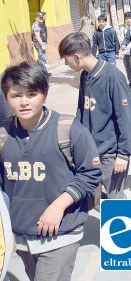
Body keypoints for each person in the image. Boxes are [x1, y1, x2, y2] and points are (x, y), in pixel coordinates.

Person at [0, 62, 101, 281]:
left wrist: (59, 205)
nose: (24, 102)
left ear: (44, 94)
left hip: (61, 234)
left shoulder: (67, 129)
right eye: (16, 96)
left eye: (32, 94)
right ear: (6, 98)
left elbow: (91, 173)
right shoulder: (3, 136)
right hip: (21, 237)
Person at [59, 32, 131, 200]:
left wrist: (124, 153)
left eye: (67, 60)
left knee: (116, 201)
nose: (66, 64)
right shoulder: (85, 76)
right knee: (93, 199)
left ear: (77, 57)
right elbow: (82, 111)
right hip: (91, 150)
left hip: (111, 153)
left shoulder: (113, 76)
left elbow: (126, 117)